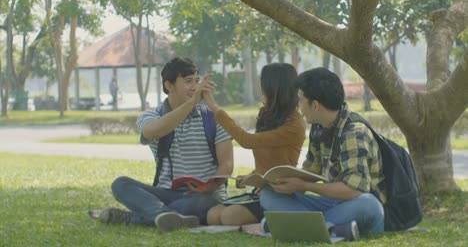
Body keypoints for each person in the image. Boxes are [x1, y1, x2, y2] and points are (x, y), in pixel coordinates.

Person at [92, 57, 234, 232]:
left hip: (203, 196)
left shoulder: (214, 118)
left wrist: (209, 187)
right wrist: (191, 104)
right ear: (169, 85)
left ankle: (141, 217)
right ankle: (166, 215)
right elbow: (153, 132)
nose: (194, 87)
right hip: (165, 194)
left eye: (197, 81)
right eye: (188, 81)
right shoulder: (150, 116)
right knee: (121, 184)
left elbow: (227, 164)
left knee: (201, 202)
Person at [259, 67, 386, 241]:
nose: (299, 106)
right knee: (269, 195)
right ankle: (333, 229)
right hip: (332, 203)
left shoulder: (354, 132)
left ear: (315, 105)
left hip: (356, 204)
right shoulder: (319, 127)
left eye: (301, 100)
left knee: (369, 205)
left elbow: (353, 190)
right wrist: (280, 182)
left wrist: (304, 187)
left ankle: (304, 226)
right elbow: (311, 171)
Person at [203, 63, 306, 226]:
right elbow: (265, 163)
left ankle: (269, 222)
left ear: (274, 88)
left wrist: (213, 106)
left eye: (263, 85)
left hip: (280, 193)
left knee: (229, 217)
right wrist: (249, 178)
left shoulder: (295, 124)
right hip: (260, 190)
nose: (261, 89)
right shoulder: (266, 114)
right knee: (212, 215)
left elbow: (247, 141)